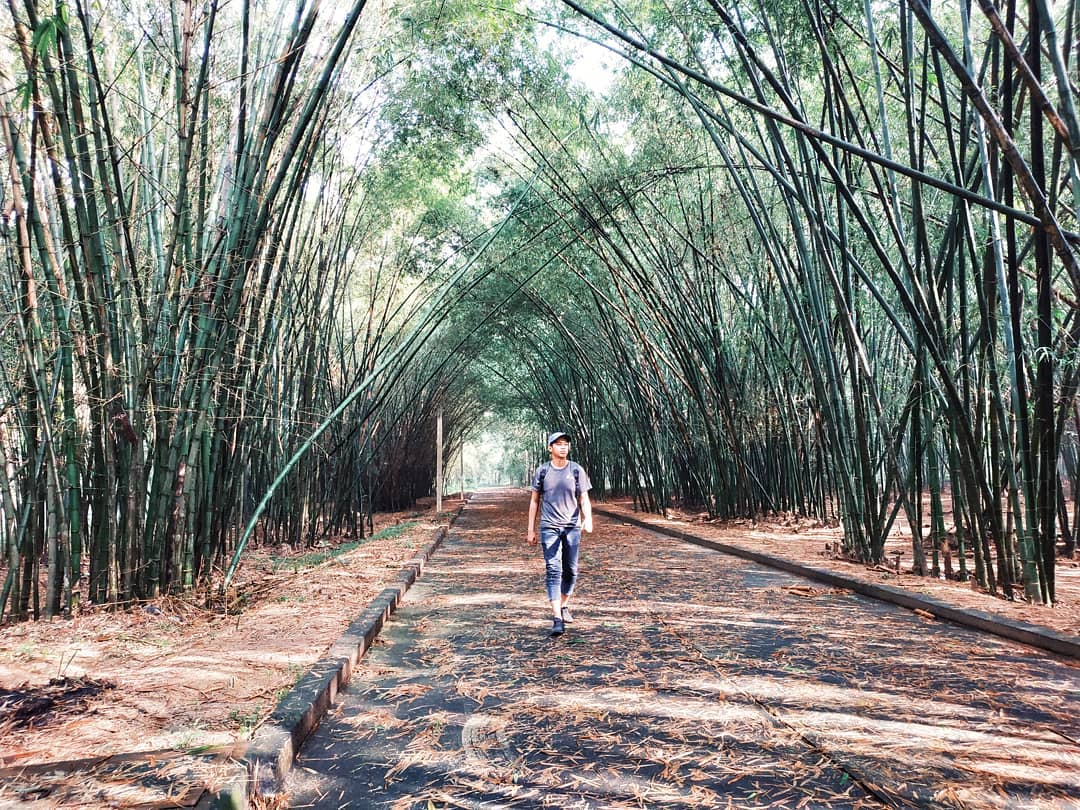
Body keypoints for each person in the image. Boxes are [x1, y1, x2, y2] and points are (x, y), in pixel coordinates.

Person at [526, 431, 593, 636]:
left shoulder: (576, 470)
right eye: (558, 444)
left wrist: (588, 517)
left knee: (571, 571)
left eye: (566, 444)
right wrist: (530, 529)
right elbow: (535, 500)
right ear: (550, 448)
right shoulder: (543, 471)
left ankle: (564, 604)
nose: (563, 447)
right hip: (550, 527)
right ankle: (557, 618)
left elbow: (583, 498)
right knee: (553, 570)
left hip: (572, 526)